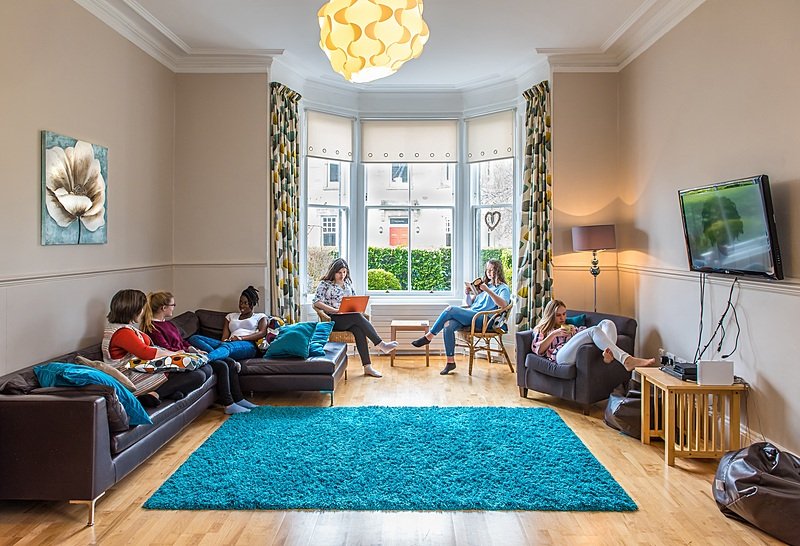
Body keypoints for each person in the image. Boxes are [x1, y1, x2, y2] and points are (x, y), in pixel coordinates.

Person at [142, 291, 257, 415]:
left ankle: (239, 399)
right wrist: (190, 353)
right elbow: (165, 349)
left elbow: (182, 342)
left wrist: (193, 349)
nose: (174, 307)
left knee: (230, 362)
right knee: (223, 365)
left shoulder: (168, 324)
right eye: (173, 305)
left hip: (188, 355)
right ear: (163, 308)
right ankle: (229, 404)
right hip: (179, 360)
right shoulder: (153, 328)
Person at [102, 289, 206, 407]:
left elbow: (148, 348)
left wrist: (177, 353)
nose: (143, 312)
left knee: (203, 370)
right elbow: (146, 353)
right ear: (133, 309)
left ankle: (170, 392)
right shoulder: (122, 332)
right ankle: (156, 394)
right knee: (198, 375)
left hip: (139, 367)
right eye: (141, 308)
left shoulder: (123, 327)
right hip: (131, 375)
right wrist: (174, 354)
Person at [411, 259, 511, 376]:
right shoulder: (485, 286)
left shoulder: (502, 288)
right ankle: (450, 362)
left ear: (498, 271)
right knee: (448, 325)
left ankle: (429, 337)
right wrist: (468, 293)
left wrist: (488, 291)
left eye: (492, 270)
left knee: (450, 309)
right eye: (487, 270)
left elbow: (503, 304)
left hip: (484, 320)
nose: (489, 272)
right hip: (472, 316)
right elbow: (469, 304)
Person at [312, 258, 398, 378]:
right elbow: (316, 302)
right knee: (357, 317)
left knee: (358, 329)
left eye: (344, 272)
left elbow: (353, 299)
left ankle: (367, 367)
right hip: (333, 319)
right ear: (333, 272)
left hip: (348, 317)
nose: (342, 275)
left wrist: (357, 306)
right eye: (339, 272)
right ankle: (381, 344)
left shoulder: (347, 284)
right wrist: (335, 310)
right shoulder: (325, 284)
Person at [531, 299, 656, 371]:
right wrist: (554, 334)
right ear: (551, 315)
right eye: (558, 315)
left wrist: (575, 332)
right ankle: (626, 360)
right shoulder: (542, 328)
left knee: (607, 323)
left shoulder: (569, 327)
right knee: (594, 330)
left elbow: (585, 334)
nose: (563, 318)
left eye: (564, 314)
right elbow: (538, 349)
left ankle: (608, 354)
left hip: (574, 351)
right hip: (559, 356)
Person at [188, 286, 267, 364]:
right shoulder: (230, 316)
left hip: (248, 345)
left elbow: (262, 332)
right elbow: (224, 338)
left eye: (245, 303)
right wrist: (226, 341)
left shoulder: (260, 316)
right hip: (229, 343)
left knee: (227, 347)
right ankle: (227, 360)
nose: (242, 305)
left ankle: (203, 360)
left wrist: (241, 338)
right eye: (240, 302)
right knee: (194, 338)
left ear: (252, 304)